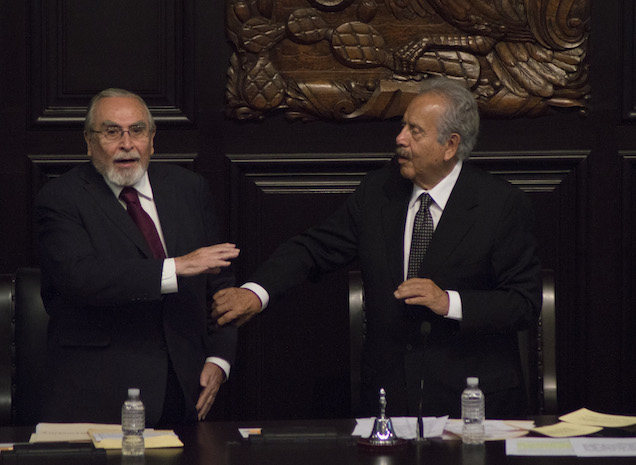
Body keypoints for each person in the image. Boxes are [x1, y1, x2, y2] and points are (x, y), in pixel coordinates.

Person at [212, 78, 542, 418]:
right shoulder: (378, 193)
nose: (400, 139)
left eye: (415, 131)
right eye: (403, 127)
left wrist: (448, 302)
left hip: (472, 404)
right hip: (389, 402)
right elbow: (313, 249)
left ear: (450, 145)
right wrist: (255, 293)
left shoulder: (500, 205)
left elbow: (523, 303)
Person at [35, 88, 239, 427]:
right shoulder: (61, 198)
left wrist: (219, 359)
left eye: (138, 130)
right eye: (112, 131)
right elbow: (80, 278)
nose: (127, 143)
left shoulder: (188, 189)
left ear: (152, 139)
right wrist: (176, 267)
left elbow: (222, 288)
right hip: (99, 394)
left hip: (185, 390)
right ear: (89, 141)